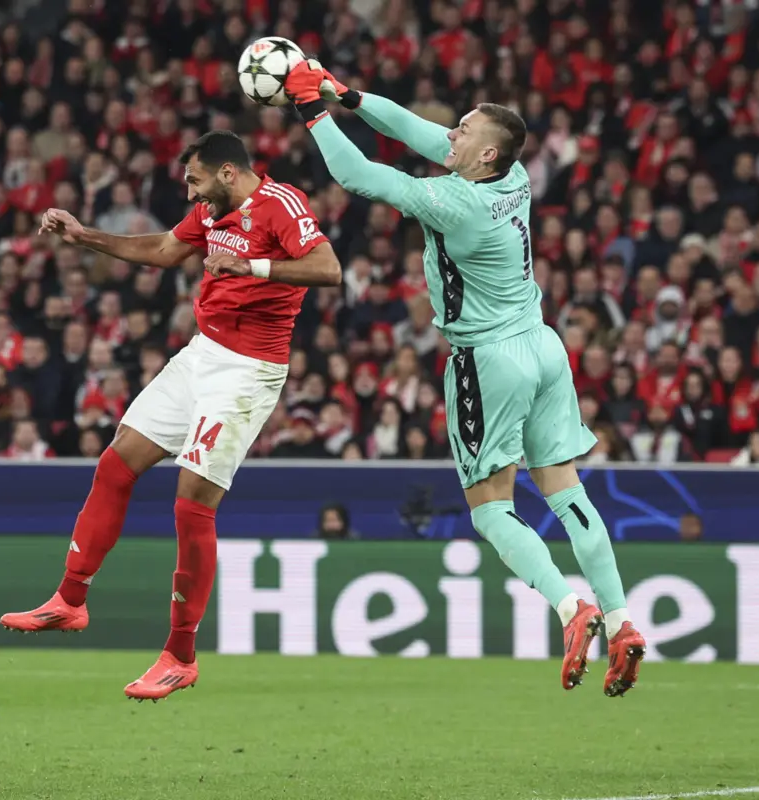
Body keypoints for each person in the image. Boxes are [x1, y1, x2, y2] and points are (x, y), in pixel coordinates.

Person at [283, 62, 646, 697]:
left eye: (463, 131)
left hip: (490, 359)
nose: (448, 135)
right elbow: (419, 132)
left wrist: (312, 113)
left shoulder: (456, 202)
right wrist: (349, 97)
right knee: (566, 492)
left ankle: (570, 608)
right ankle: (621, 621)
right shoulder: (515, 175)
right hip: (543, 345)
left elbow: (358, 176)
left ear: (482, 154)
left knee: (491, 508)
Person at [0, 131, 341, 700]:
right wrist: (83, 236)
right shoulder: (212, 211)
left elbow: (328, 268)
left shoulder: (281, 204)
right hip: (202, 353)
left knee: (191, 504)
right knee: (116, 463)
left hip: (249, 370)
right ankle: (70, 600)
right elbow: (162, 251)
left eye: (196, 180)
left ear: (229, 172)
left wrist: (252, 266)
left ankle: (180, 655)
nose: (190, 193)